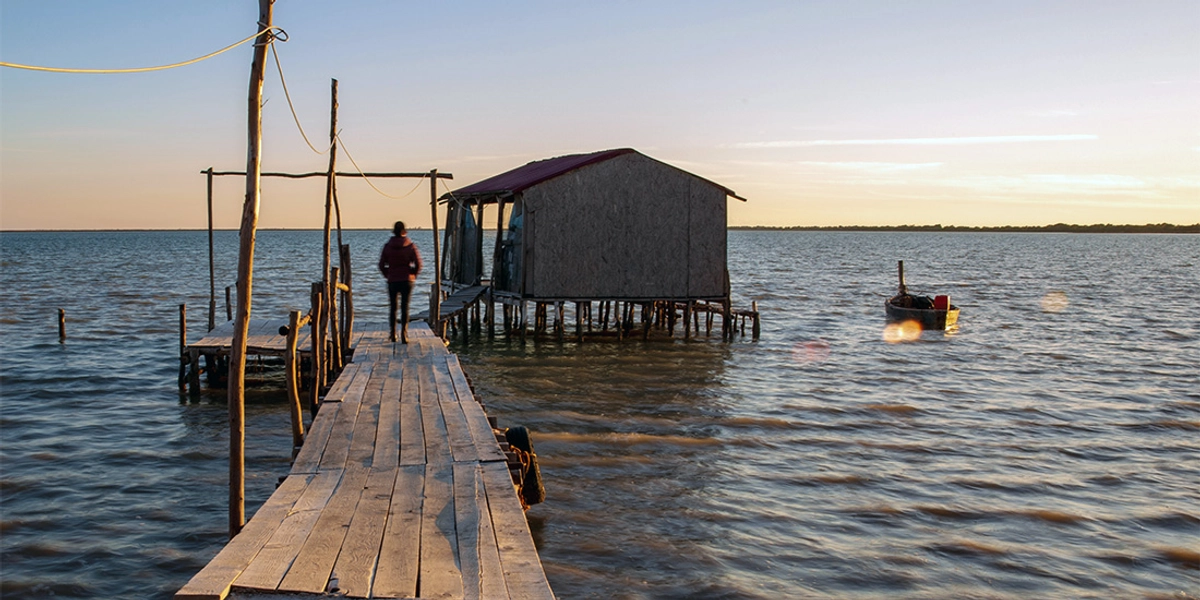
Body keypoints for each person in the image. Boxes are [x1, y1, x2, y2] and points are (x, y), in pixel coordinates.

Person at [378, 221, 422, 343]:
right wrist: (413, 274)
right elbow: (418, 264)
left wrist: (388, 274)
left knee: (393, 307)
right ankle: (404, 334)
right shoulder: (410, 246)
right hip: (406, 280)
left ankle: (392, 334)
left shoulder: (388, 246)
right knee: (405, 307)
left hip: (392, 279)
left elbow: (381, 264)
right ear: (404, 231)